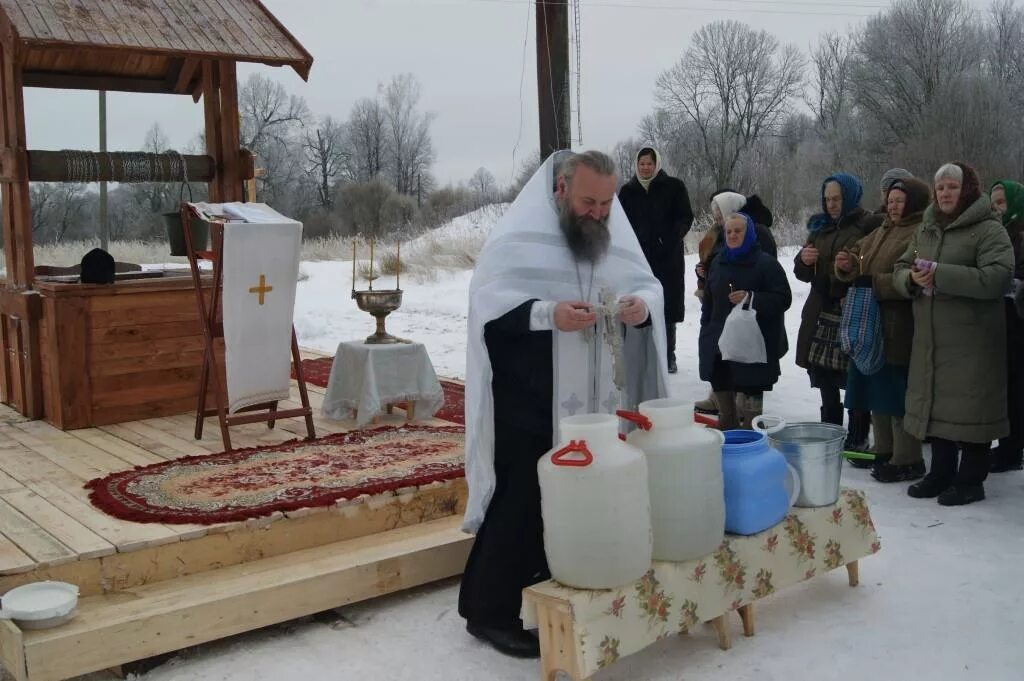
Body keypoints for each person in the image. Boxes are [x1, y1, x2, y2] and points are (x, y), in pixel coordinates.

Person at [459, 150, 669, 657]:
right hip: (531, 395)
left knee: (577, 495)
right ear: (560, 191)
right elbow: (489, 309)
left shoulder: (613, 235)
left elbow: (649, 287)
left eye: (606, 202)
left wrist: (642, 309)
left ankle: (549, 579)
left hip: (599, 399)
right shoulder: (518, 237)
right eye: (588, 202)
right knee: (521, 499)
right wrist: (548, 314)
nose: (599, 213)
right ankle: (487, 611)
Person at [893, 162, 1013, 505]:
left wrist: (941, 274)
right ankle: (940, 473)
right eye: (940, 187)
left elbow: (997, 277)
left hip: (973, 340)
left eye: (952, 187)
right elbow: (902, 266)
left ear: (968, 190)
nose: (945, 193)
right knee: (937, 406)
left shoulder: (989, 229)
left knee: (972, 408)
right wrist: (909, 281)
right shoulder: (927, 228)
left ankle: (971, 481)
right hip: (931, 337)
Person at [835, 178, 930, 482]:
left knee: (896, 392)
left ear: (914, 202)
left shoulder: (919, 233)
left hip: (900, 324)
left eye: (900, 200)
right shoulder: (882, 230)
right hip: (871, 323)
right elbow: (857, 255)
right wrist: (846, 262)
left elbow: (912, 278)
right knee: (876, 389)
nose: (893, 205)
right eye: (890, 199)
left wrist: (876, 284)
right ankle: (885, 450)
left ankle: (908, 457)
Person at [794, 173, 881, 451]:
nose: (831, 204)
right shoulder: (819, 228)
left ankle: (857, 435)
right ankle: (829, 434)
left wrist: (852, 273)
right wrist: (803, 260)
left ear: (850, 197)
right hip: (821, 308)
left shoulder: (866, 226)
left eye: (837, 199)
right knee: (823, 374)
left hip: (852, 307)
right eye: (827, 199)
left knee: (854, 375)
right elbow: (801, 271)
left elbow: (873, 263)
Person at [699, 212, 791, 428]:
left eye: (738, 231)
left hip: (754, 345)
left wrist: (752, 298)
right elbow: (708, 305)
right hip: (719, 342)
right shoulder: (718, 262)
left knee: (751, 415)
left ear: (749, 233)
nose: (732, 235)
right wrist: (706, 334)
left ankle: (752, 441)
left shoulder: (766, 264)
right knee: (725, 406)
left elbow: (783, 298)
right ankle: (727, 437)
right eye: (728, 231)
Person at [618, 147, 694, 373]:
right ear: (636, 165)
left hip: (667, 259)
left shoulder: (674, 187)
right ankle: (641, 353)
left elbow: (685, 216)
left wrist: (670, 238)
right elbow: (620, 223)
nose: (645, 167)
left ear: (656, 164)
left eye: (649, 163)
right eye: (641, 163)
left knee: (666, 306)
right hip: (638, 260)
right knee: (639, 304)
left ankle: (668, 354)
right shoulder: (627, 192)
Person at [988, 180, 1024, 472]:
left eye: (1002, 203)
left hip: (1018, 323)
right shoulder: (998, 235)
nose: (998, 209)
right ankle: (1008, 445)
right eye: (994, 203)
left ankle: (1013, 450)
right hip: (1000, 322)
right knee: (1005, 387)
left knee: (1017, 388)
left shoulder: (1020, 235)